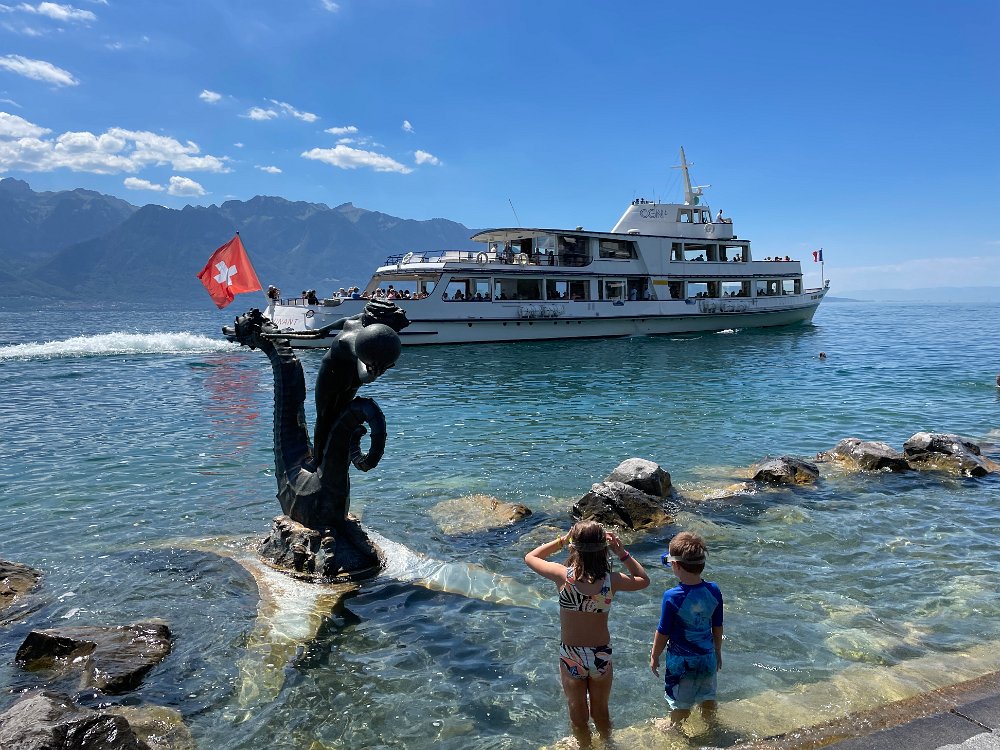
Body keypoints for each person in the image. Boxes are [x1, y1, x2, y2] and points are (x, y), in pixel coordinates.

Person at [525, 520, 650, 745]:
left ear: (573, 546)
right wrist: (621, 553)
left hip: (571, 654)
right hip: (600, 654)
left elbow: (530, 557)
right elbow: (643, 580)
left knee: (578, 713)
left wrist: (562, 540)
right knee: (601, 712)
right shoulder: (611, 581)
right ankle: (608, 745)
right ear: (604, 548)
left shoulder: (563, 576)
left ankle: (585, 746)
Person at [649, 531, 723, 730]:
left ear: (675, 565)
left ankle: (677, 730)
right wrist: (717, 651)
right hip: (707, 656)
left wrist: (654, 656)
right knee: (707, 696)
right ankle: (712, 727)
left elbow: (663, 631)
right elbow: (717, 625)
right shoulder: (714, 590)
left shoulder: (672, 596)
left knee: (680, 702)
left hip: (681, 663)